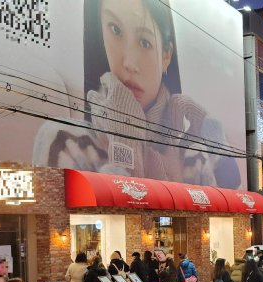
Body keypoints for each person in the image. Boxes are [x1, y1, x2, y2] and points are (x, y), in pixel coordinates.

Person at [35, 0, 241, 189]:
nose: (130, 63)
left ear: (166, 55)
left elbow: (229, 203)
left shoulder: (193, 156)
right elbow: (115, 217)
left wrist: (212, 133)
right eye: (115, 30)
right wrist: (125, 144)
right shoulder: (65, 140)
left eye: (144, 42)